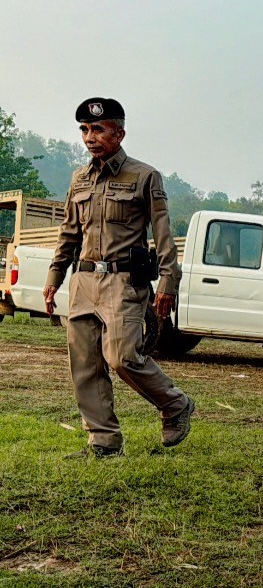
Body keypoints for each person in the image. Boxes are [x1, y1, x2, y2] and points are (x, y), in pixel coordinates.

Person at [43, 97, 194, 457]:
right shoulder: (78, 179)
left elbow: (163, 234)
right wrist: (54, 277)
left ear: (119, 132)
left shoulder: (144, 176)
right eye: (84, 130)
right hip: (83, 280)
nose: (90, 137)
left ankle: (175, 405)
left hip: (123, 282)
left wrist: (168, 283)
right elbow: (68, 233)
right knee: (85, 364)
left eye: (98, 129)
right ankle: (104, 441)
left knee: (122, 357)